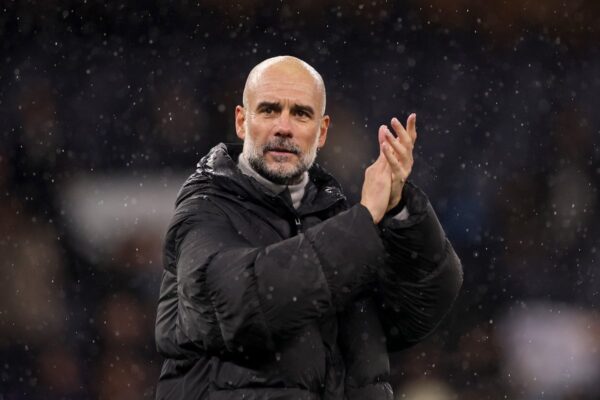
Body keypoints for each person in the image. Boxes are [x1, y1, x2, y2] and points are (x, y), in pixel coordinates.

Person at [154, 55, 463, 400]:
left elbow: (416, 310)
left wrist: (399, 209)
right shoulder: (205, 209)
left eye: (301, 113)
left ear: (322, 132)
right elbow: (239, 306)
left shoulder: (335, 216)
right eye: (269, 110)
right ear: (241, 121)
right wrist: (362, 220)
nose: (283, 127)